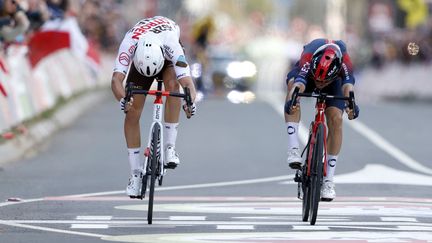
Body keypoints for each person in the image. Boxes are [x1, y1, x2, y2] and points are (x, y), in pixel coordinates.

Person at [111, 16, 197, 197]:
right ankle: (135, 174)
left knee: (173, 86)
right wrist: (123, 100)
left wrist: (190, 103)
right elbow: (116, 80)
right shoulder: (129, 44)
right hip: (141, 61)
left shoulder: (171, 45)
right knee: (132, 110)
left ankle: (169, 147)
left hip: (165, 59)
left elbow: (187, 83)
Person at [284, 38, 359, 201]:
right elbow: (299, 83)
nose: (320, 84)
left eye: (323, 81)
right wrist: (293, 100)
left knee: (336, 119)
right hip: (307, 76)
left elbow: (348, 87)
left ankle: (329, 180)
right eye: (319, 81)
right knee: (292, 90)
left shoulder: (345, 64)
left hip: (334, 81)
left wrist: (351, 105)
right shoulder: (309, 56)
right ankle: (293, 148)